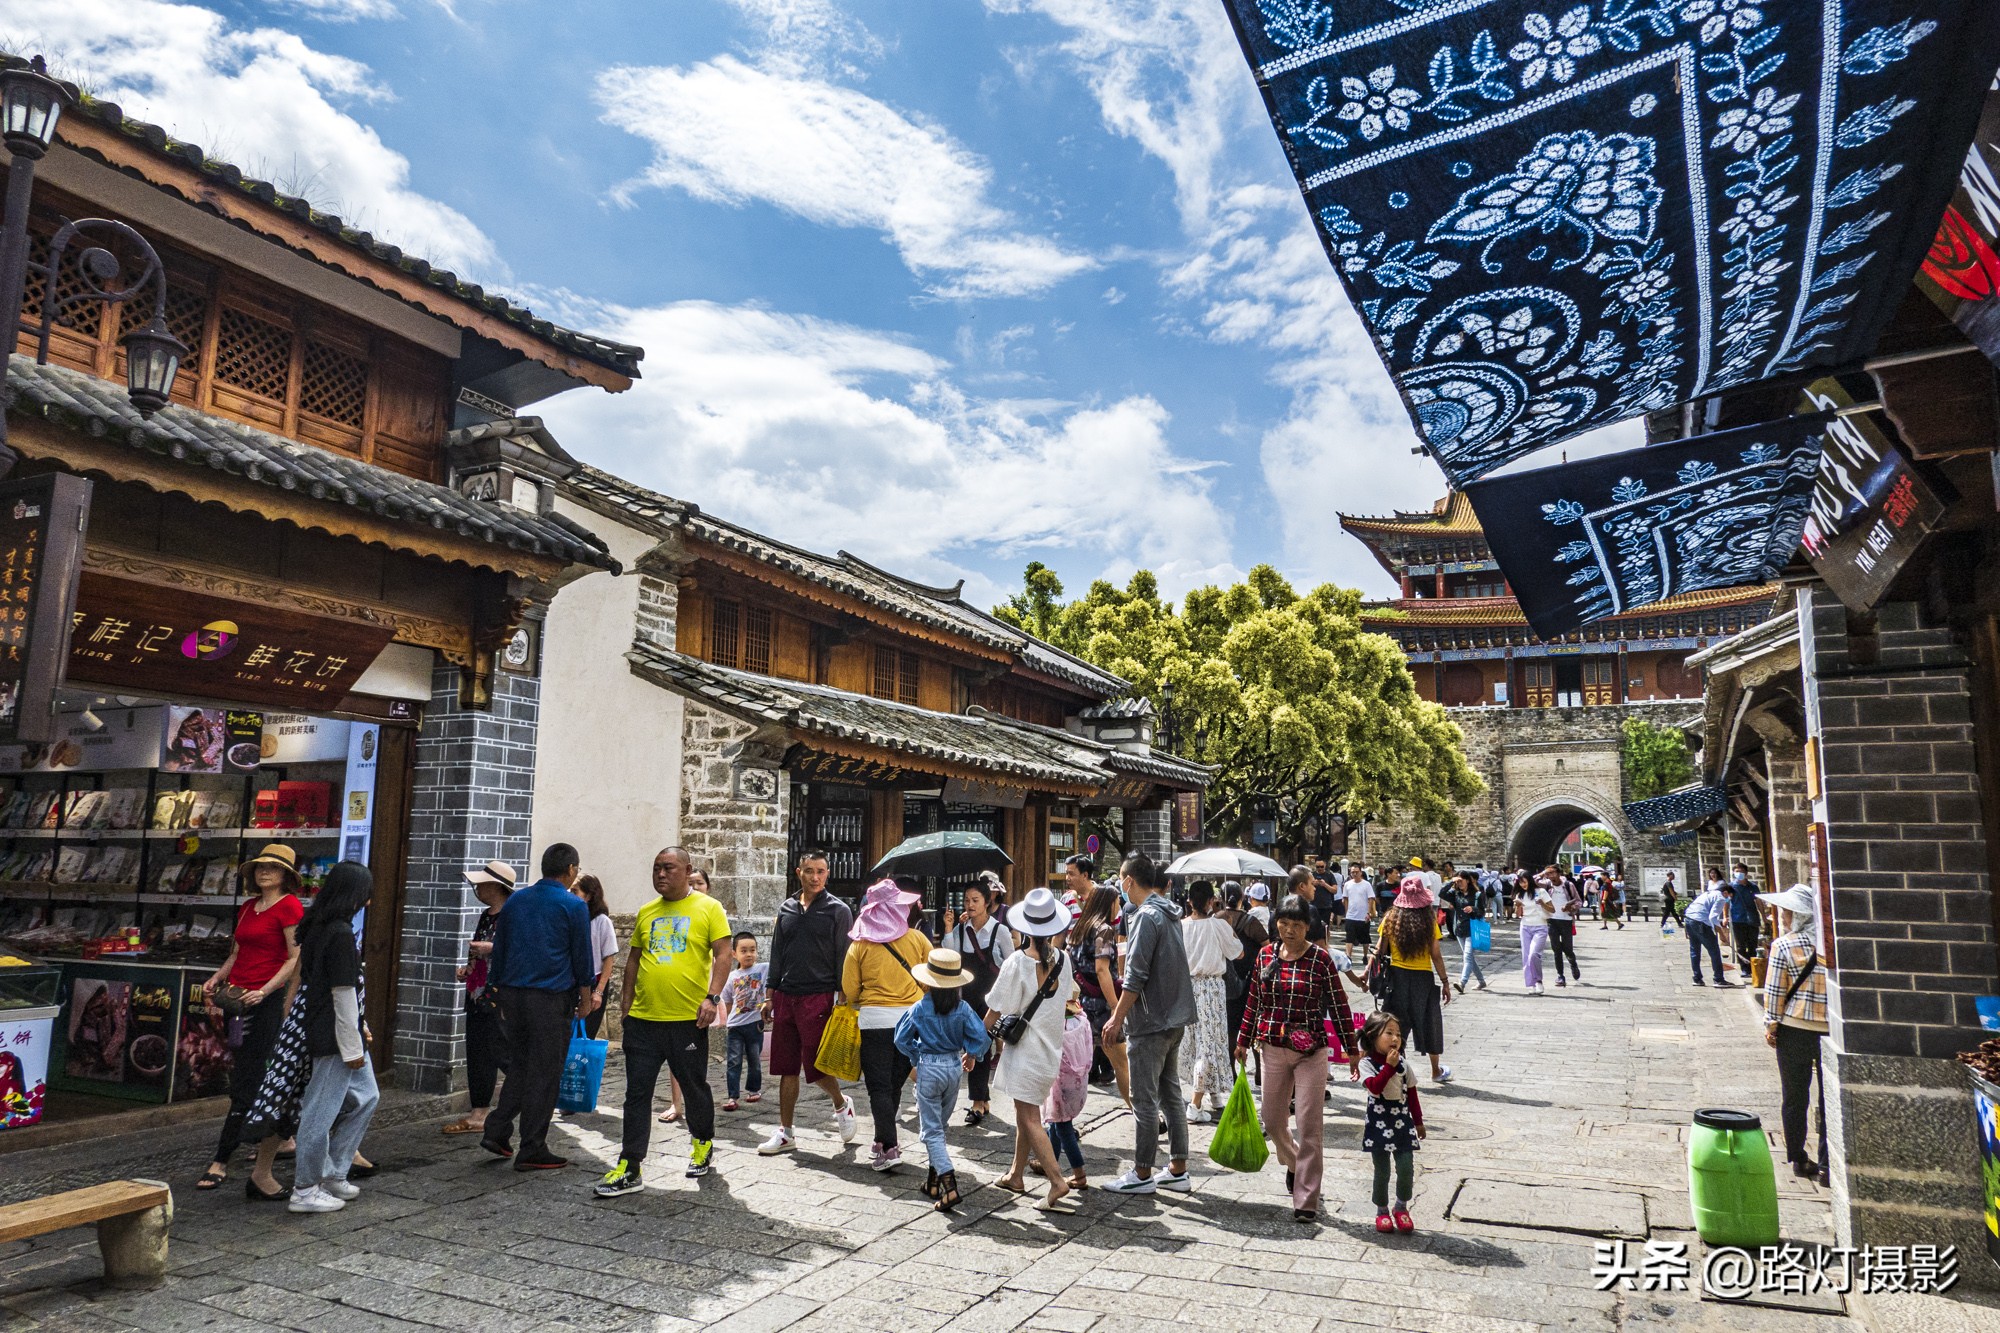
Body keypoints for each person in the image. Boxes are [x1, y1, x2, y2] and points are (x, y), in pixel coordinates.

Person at [595, 848, 733, 1196]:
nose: (660, 874)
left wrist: (712, 997)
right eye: (656, 868)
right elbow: (633, 963)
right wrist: (626, 1009)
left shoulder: (708, 908)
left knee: (693, 1086)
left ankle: (702, 1141)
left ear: (687, 871)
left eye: (668, 868)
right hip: (644, 1021)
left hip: (687, 1020)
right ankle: (630, 1165)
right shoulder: (647, 911)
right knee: (636, 1094)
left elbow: (724, 954)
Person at [1236, 893, 1356, 1223]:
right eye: (1284, 924)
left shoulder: (1321, 960)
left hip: (1311, 1053)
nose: (1289, 931)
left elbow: (1339, 1005)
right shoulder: (1264, 956)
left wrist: (1352, 1049)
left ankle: (1306, 1198)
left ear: (1308, 926)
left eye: (1297, 925)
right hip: (1272, 1048)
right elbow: (1254, 1002)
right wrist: (1243, 1040)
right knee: (1273, 1120)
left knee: (1309, 1125)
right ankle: (1293, 1162)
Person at [196, 844, 305, 1190]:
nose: (264, 873)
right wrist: (217, 976)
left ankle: (221, 1158)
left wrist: (267, 990)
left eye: (272, 868)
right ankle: (281, 1137)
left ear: (286, 875)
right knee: (251, 1073)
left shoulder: (290, 906)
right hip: (238, 1001)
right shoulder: (247, 907)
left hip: (265, 1002)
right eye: (259, 868)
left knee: (246, 1080)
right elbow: (238, 951)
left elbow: (293, 959)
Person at [482, 843, 596, 1171]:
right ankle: (532, 1146)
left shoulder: (517, 900)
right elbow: (581, 957)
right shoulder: (573, 906)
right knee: (545, 1073)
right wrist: (586, 1000)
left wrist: (499, 994)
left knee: (521, 1064)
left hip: (513, 996)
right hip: (549, 999)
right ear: (572, 870)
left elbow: (500, 949)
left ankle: (497, 1129)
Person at [286, 862, 381, 1214]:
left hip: (342, 1029)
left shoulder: (320, 927)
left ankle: (333, 1172)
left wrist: (361, 1026)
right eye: (366, 893)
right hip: (335, 1035)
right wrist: (352, 1045)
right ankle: (306, 1188)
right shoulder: (338, 932)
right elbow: (342, 992)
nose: (369, 900)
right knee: (319, 1112)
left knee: (367, 1096)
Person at [1103, 852, 1197, 1195]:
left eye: (1121, 879)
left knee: (1144, 1100)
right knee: (1171, 1094)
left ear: (1129, 881)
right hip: (1174, 1017)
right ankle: (1177, 1167)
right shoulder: (1169, 912)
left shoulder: (1146, 916)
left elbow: (1135, 975)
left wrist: (1117, 1018)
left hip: (1151, 1020)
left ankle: (1142, 1172)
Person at [760, 851, 859, 1155]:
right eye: (809, 871)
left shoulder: (838, 910)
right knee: (786, 1066)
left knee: (816, 1063)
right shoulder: (787, 908)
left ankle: (841, 1105)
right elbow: (777, 952)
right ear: (798, 872)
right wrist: (769, 994)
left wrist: (844, 997)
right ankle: (786, 1132)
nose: (815, 877)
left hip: (819, 995)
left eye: (821, 871)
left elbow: (845, 955)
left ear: (827, 874)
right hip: (786, 995)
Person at [987, 887, 1079, 1212]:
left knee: (1028, 1117)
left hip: (1026, 1052)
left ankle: (1056, 1181)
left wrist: (976, 1037)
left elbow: (997, 1008)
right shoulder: (1064, 961)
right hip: (1049, 1051)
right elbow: (1064, 998)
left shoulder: (1018, 962)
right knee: (1025, 1113)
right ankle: (1016, 1174)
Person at [843, 880, 931, 1173]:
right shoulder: (917, 940)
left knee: (879, 1086)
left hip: (874, 1022)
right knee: (893, 1084)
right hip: (912, 1020)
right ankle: (882, 1140)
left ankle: (890, 1147)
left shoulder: (859, 946)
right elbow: (933, 976)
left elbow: (850, 990)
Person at [894, 947, 990, 1211]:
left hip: (929, 1067)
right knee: (940, 1125)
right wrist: (971, 1055)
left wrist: (916, 1055)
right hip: (953, 1067)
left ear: (928, 981)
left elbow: (900, 1039)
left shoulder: (919, 1007)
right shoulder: (963, 1008)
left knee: (931, 1130)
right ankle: (932, 1182)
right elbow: (982, 1038)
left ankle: (949, 1185)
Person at [1758, 885, 1828, 1182]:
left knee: (1795, 1096)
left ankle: (1799, 1157)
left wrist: (1771, 1025)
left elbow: (1773, 992)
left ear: (1798, 915)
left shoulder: (1784, 945)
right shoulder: (1831, 944)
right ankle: (1828, 1165)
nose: (1783, 916)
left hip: (1794, 1029)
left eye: (1787, 912)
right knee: (1829, 1100)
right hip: (1831, 1032)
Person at [443, 861, 515, 1137]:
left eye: (482, 883)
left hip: (499, 996)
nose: (478, 888)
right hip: (477, 995)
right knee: (477, 1053)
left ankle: (531, 1097)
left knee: (503, 1052)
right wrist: (468, 970)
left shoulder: (512, 915)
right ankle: (479, 1112)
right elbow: (476, 955)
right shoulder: (486, 915)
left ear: (497, 887)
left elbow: (519, 949)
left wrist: (491, 948)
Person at [942, 872, 1013, 1126]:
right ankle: (983, 1101)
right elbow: (951, 958)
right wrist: (949, 928)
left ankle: (976, 1103)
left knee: (979, 1044)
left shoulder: (1000, 931)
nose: (970, 905)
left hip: (992, 1000)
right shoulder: (962, 930)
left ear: (986, 902)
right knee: (975, 1046)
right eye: (966, 900)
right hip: (968, 997)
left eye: (975, 900)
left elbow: (1011, 965)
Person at [1371, 875, 1453, 1082]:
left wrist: (1367, 971)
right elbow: (1436, 955)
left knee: (1395, 1026)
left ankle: (1396, 1068)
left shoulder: (1390, 919)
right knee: (1429, 1023)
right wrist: (1444, 981)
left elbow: (1379, 950)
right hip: (1422, 980)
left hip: (1397, 979)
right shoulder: (1429, 922)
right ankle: (1435, 1071)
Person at [1179, 882, 1243, 1125]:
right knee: (1210, 1041)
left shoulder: (1181, 926)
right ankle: (1195, 1104)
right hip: (1211, 988)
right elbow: (1238, 952)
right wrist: (1230, 930)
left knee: (1198, 1039)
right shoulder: (1219, 925)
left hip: (1189, 987)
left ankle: (1214, 1096)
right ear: (1210, 901)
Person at [1358, 1011, 1425, 1234]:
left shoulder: (1404, 1065)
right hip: (1379, 1124)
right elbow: (1375, 1087)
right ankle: (1382, 1210)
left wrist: (1418, 1121)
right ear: (1372, 1035)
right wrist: (1388, 1066)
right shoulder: (1366, 1064)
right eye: (1389, 1033)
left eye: (1398, 1033)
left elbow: (1412, 1093)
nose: (1395, 1038)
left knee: (1406, 1167)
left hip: (1402, 1123)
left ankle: (1401, 1207)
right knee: (1382, 1169)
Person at [1069, 881, 1131, 1102]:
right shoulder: (1103, 930)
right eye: (1117, 902)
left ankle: (1062, 1118)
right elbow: (1102, 969)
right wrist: (1115, 1006)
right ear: (1108, 903)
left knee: (1078, 1066)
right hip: (1101, 1005)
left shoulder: (1080, 928)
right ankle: (1137, 1111)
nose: (1118, 907)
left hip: (1080, 1004)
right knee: (1121, 1063)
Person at [1044, 1002, 1094, 1192]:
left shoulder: (1057, 1025)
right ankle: (1050, 1162)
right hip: (1078, 1080)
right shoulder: (1082, 1021)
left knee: (1063, 1127)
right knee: (1057, 1123)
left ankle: (1079, 1174)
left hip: (1060, 1084)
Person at [718, 932, 767, 1111]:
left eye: (752, 950)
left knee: (754, 1058)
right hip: (735, 1026)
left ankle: (754, 1089)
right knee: (733, 1061)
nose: (748, 954)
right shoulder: (731, 977)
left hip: (755, 1023)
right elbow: (727, 1001)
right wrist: (724, 1021)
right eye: (744, 950)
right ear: (734, 954)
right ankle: (732, 1096)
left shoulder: (763, 969)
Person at [575, 874, 621, 1040]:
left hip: (595, 980)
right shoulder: (572, 919)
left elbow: (608, 957)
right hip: (573, 981)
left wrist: (599, 991)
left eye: (575, 891)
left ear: (588, 895)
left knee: (586, 1032)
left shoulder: (602, 921)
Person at [1683, 873, 1734, 987]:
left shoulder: (1707, 893)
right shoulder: (1720, 897)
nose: (1727, 900)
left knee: (1694, 950)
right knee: (1714, 951)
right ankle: (1718, 979)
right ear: (1725, 892)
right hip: (1701, 922)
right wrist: (1721, 933)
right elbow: (1712, 917)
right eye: (1729, 897)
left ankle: (1697, 978)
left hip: (1689, 919)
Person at [1444, 870, 1487, 994]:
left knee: (1467, 956)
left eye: (1461, 881)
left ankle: (1462, 982)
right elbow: (1442, 893)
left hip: (1473, 928)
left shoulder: (1477, 894)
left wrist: (1473, 908)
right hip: (1459, 928)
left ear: (1467, 880)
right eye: (1457, 881)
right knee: (1469, 958)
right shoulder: (1456, 894)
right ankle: (1481, 981)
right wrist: (1450, 882)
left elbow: (1482, 912)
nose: (1459, 883)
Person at [1518, 871, 1555, 995]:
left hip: (1540, 926)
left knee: (1534, 955)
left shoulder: (1541, 892)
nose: (1523, 885)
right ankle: (1530, 984)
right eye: (1520, 882)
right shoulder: (1520, 894)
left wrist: (1543, 903)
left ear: (1529, 880)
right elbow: (1518, 914)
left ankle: (1538, 980)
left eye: (1524, 881)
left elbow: (1552, 909)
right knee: (1526, 956)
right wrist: (1517, 906)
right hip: (1525, 926)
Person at [1544, 864, 1582, 987]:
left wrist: (1570, 907)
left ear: (1559, 873)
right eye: (1548, 873)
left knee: (1567, 948)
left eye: (1552, 873)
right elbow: (1532, 881)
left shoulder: (1568, 885)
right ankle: (1560, 975)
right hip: (1552, 920)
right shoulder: (1547, 886)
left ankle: (1573, 963)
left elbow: (1578, 901)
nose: (1550, 876)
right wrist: (1542, 874)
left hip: (1566, 920)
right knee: (1556, 949)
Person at [1729, 861, 1762, 975]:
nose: (1739, 873)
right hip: (1737, 919)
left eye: (1741, 871)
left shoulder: (1753, 886)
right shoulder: (1731, 887)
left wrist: (1763, 916)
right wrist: (1724, 917)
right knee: (1741, 945)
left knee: (1752, 944)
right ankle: (1744, 968)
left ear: (1746, 873)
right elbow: (1726, 902)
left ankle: (1753, 966)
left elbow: (1758, 901)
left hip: (1752, 918)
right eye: (1737, 871)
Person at [1339, 863, 1375, 964]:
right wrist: (1346, 913)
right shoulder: (1347, 884)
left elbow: (1371, 899)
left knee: (1365, 938)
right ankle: (1348, 956)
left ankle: (1364, 956)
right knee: (1349, 938)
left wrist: (1368, 912)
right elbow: (1345, 899)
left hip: (1363, 916)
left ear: (1360, 872)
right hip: (1351, 915)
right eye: (1352, 872)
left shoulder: (1366, 884)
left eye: (1356, 872)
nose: (1354, 874)